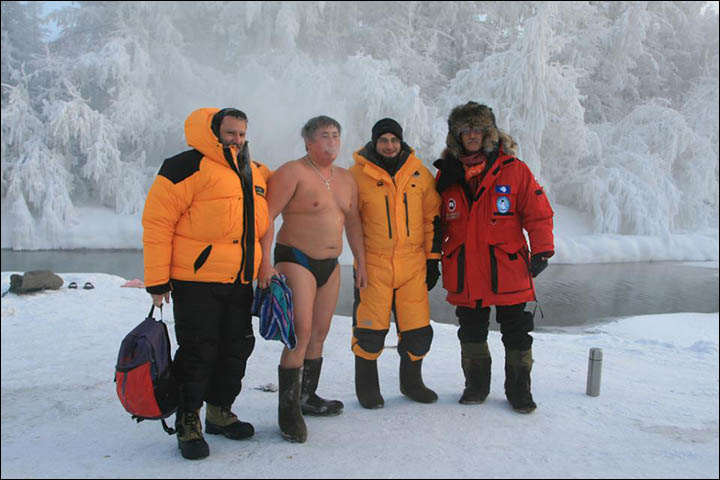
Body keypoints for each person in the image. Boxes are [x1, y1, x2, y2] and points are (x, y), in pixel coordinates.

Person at [142, 107, 271, 459]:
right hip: (195, 280)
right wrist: (157, 281)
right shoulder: (184, 167)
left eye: (242, 133)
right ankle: (188, 421)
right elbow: (157, 223)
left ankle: (219, 411)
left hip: (240, 281)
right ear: (213, 132)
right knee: (199, 351)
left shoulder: (254, 171)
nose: (237, 139)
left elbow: (267, 219)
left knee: (237, 348)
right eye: (230, 132)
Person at [433, 102, 554, 413]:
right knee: (470, 329)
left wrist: (542, 249)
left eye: (477, 129)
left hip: (507, 265)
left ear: (487, 133)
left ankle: (519, 391)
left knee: (516, 328)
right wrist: (430, 257)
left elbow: (538, 213)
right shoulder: (446, 175)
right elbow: (433, 222)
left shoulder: (514, 170)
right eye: (464, 130)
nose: (471, 135)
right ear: (455, 135)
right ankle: (476, 386)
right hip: (464, 267)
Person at [258, 115, 367, 443]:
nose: (331, 142)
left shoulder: (346, 179)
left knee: (320, 332)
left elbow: (353, 224)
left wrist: (360, 262)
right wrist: (264, 263)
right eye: (323, 136)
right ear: (307, 142)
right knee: (301, 332)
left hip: (331, 264)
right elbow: (267, 217)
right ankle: (287, 412)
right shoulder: (293, 172)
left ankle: (307, 397)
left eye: (335, 135)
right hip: (296, 259)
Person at [349, 118, 442, 409]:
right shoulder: (356, 175)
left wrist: (432, 260)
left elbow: (432, 220)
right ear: (374, 143)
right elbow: (348, 221)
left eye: (394, 140)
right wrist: (359, 261)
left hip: (412, 264)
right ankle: (367, 389)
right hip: (373, 263)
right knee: (370, 330)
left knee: (417, 330)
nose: (389, 146)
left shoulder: (419, 173)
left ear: (401, 142)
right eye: (383, 140)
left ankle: (411, 383)